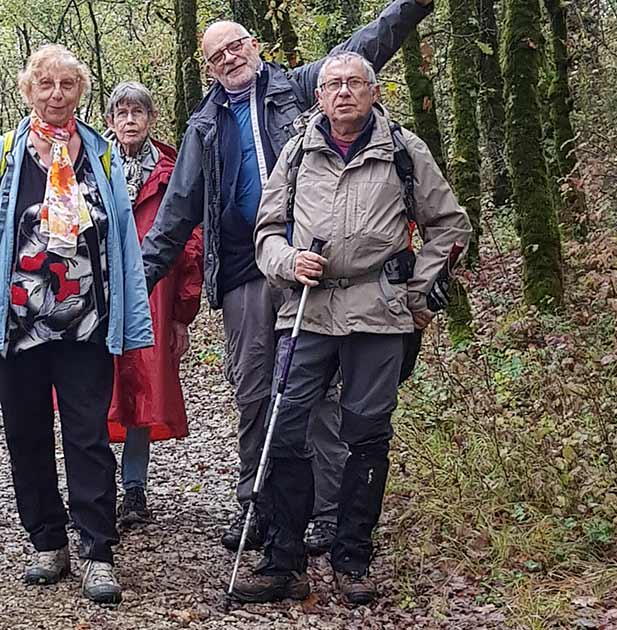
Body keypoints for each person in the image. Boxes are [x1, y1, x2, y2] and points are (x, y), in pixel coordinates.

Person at [139, 0, 435, 554]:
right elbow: (177, 212)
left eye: (237, 45)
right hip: (246, 269)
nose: (230, 58)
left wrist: (412, 8)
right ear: (208, 68)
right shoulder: (204, 126)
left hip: (316, 265)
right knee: (256, 390)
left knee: (317, 391)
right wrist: (137, 285)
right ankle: (260, 504)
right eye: (217, 55)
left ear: (255, 46)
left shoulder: (301, 88)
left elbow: (367, 45)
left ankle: (324, 512)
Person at [241, 51, 470, 606]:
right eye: (333, 84)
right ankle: (283, 560)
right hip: (307, 310)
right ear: (319, 96)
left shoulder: (403, 151)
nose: (343, 92)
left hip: (379, 314)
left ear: (373, 91)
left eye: (354, 83)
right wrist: (287, 261)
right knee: (285, 427)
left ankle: (352, 559)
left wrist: (415, 294)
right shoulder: (297, 153)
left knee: (367, 435)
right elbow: (267, 230)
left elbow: (449, 224)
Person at [0, 44, 153, 605]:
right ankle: (46, 541)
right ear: (29, 91)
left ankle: (97, 551)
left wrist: (132, 314)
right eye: (46, 86)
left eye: (68, 86)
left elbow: (121, 233)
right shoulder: (4, 153)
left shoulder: (100, 155)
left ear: (81, 93)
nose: (56, 96)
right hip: (19, 324)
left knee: (88, 435)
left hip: (86, 323)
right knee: (26, 434)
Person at [102, 81, 204, 529]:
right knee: (93, 389)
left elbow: (190, 244)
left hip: (154, 297)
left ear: (151, 119)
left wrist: (183, 314)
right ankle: (96, 486)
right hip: (97, 296)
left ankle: (134, 488)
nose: (129, 122)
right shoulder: (90, 167)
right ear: (110, 121)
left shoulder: (171, 170)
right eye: (121, 114)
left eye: (137, 114)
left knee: (142, 388)